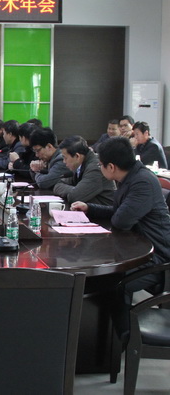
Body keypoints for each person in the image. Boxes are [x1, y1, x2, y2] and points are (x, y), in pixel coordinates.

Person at [71, 137, 170, 322]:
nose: (99, 168)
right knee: (95, 278)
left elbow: (121, 221)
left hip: (155, 258)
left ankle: (121, 334)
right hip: (134, 248)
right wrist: (90, 208)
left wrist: (111, 212)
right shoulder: (130, 177)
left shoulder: (143, 182)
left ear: (111, 167)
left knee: (109, 282)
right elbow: (119, 212)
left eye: (100, 164)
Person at [53, 135, 115, 205]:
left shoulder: (95, 168)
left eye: (65, 158)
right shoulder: (79, 164)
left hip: (103, 210)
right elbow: (58, 185)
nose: (64, 161)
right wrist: (76, 189)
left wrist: (76, 191)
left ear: (77, 156)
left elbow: (75, 197)